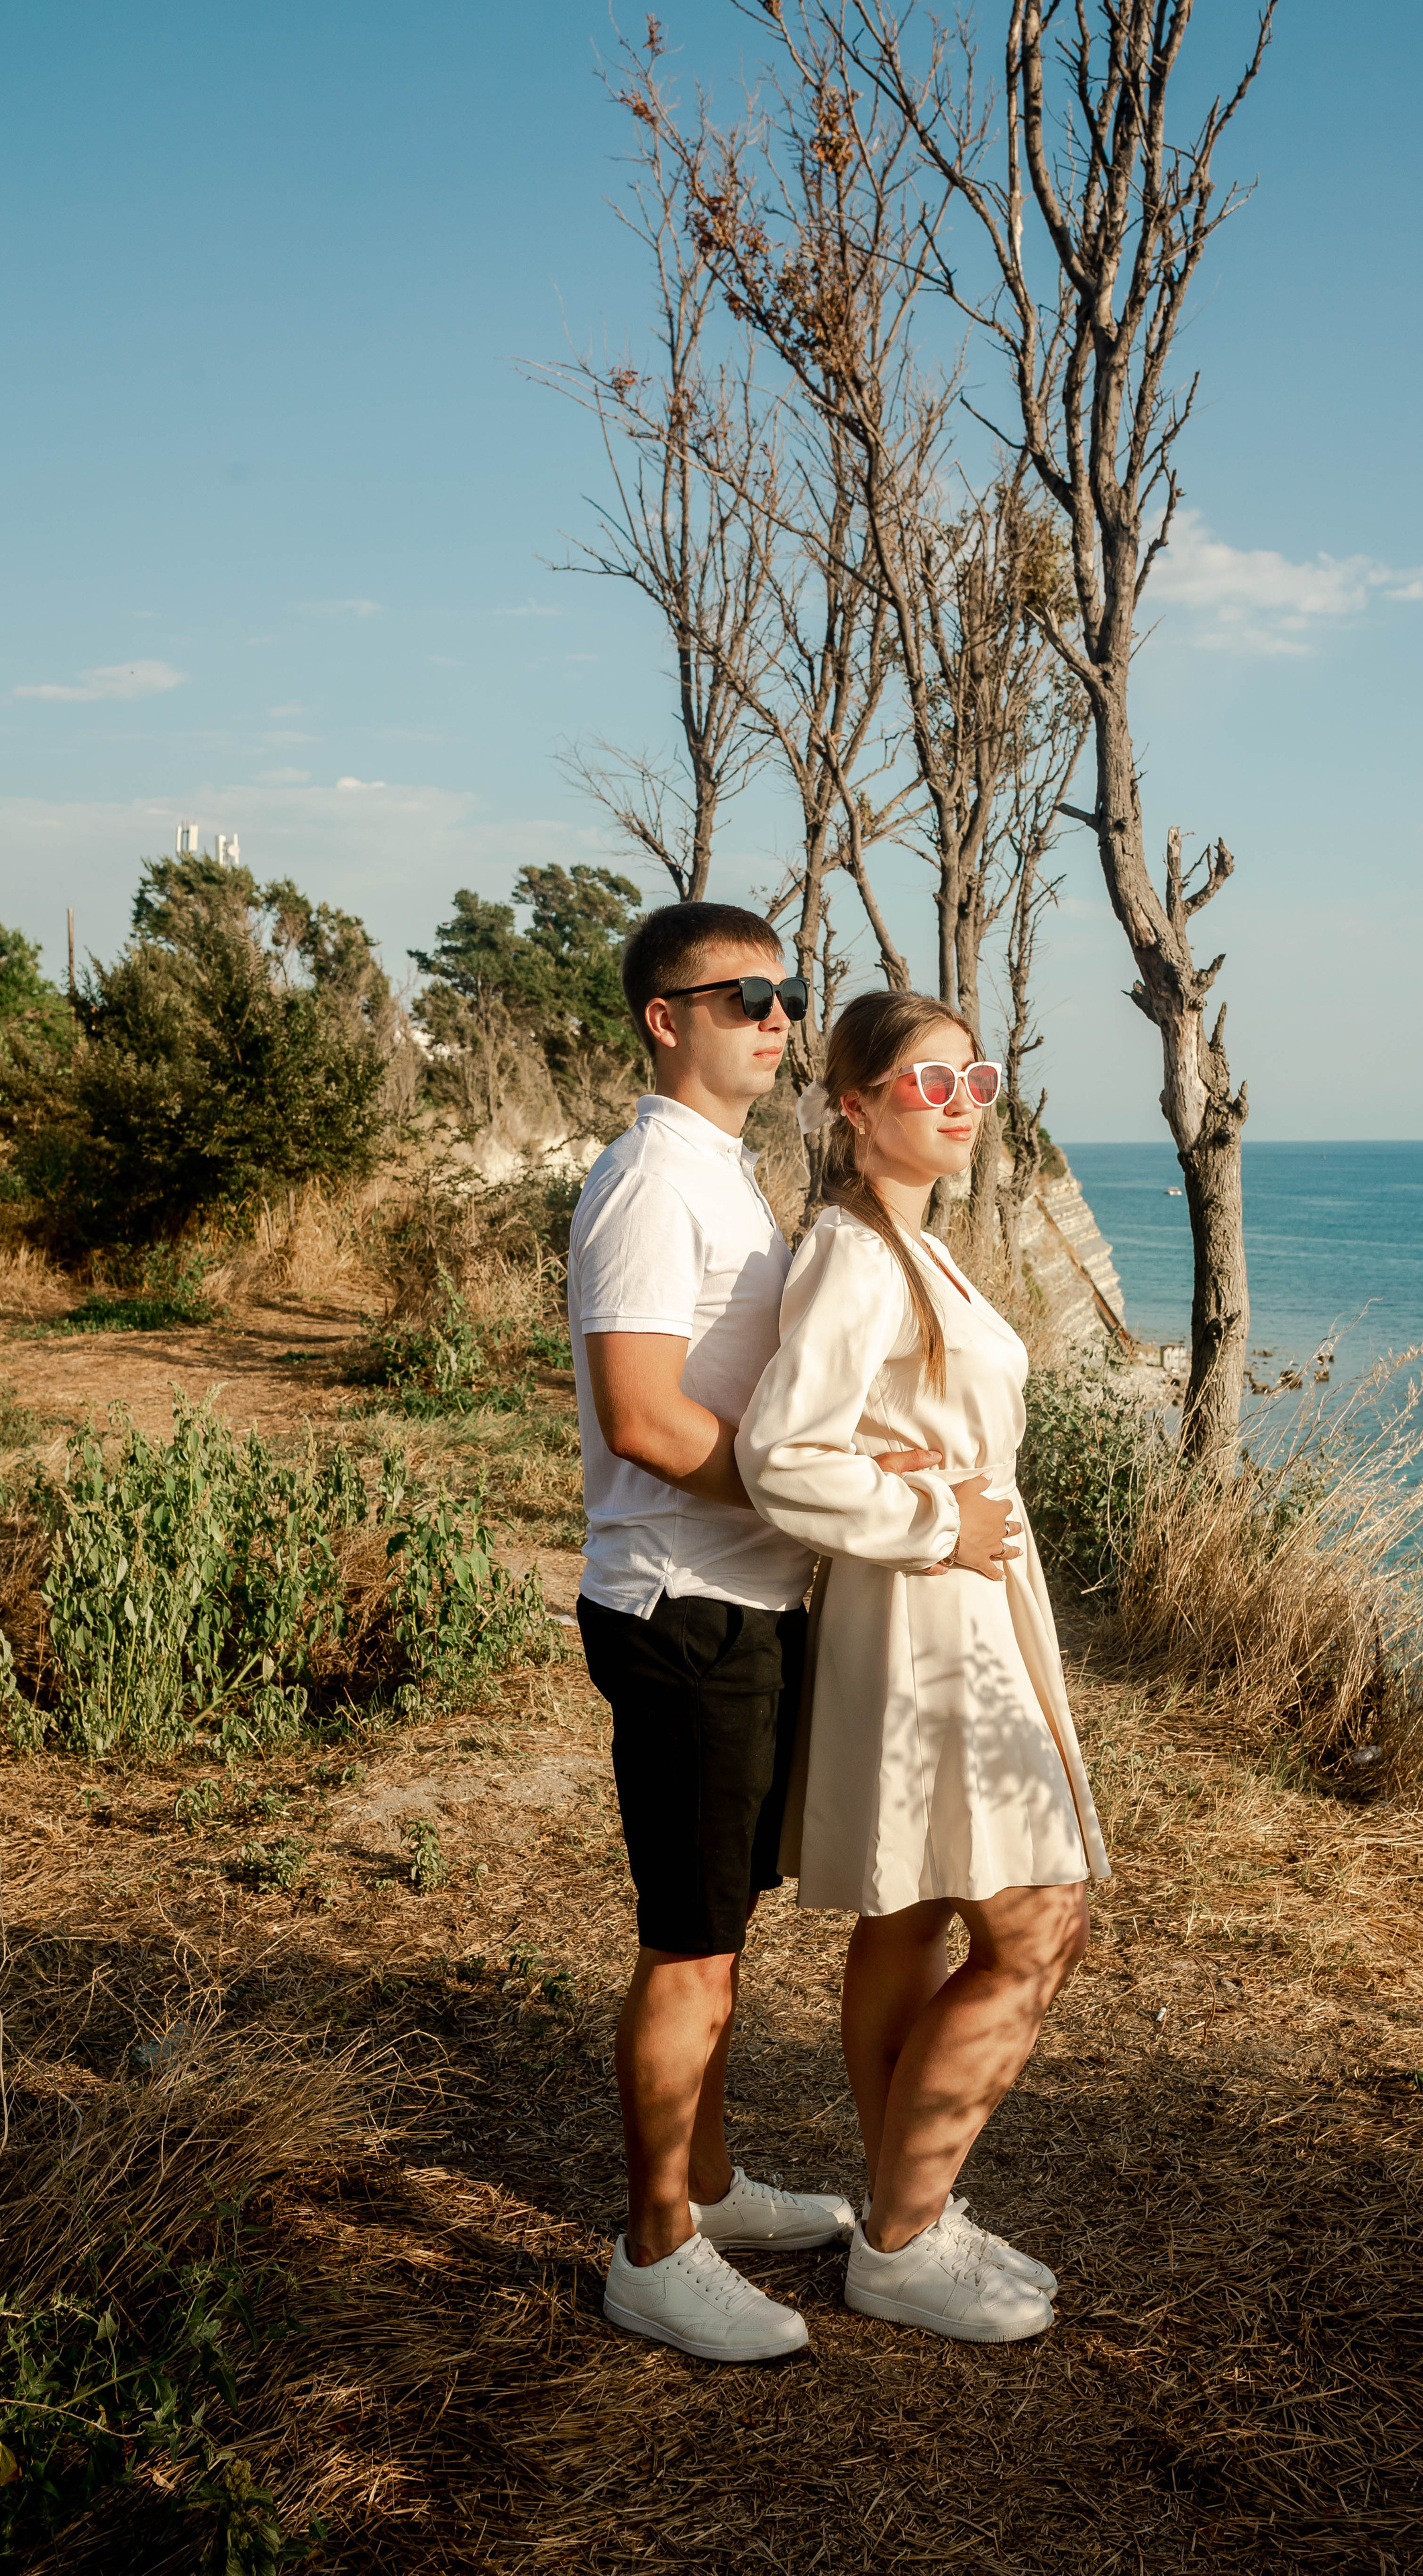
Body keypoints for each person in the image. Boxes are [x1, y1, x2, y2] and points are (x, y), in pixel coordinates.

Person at [571, 902, 925, 2365]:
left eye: (783, 997)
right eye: (741, 998)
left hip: (745, 1594)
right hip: (682, 1601)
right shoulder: (652, 1182)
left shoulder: (722, 1175)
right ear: (665, 1018)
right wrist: (812, 1489)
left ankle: (706, 2190)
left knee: (720, 1925)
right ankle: (654, 2251)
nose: (776, 1019)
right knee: (688, 1946)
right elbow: (642, 1418)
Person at [736, 988, 1110, 2345]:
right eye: (926, 1084)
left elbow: (860, 1423)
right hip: (927, 1610)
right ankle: (895, 2239)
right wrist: (932, 1516)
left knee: (909, 1911)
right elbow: (782, 1452)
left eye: (976, 1081)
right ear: (853, 1106)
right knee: (1036, 1925)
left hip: (949, 1601)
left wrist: (925, 1488)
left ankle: (912, 2204)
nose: (958, 1106)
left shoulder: (903, 1241)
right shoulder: (851, 1249)